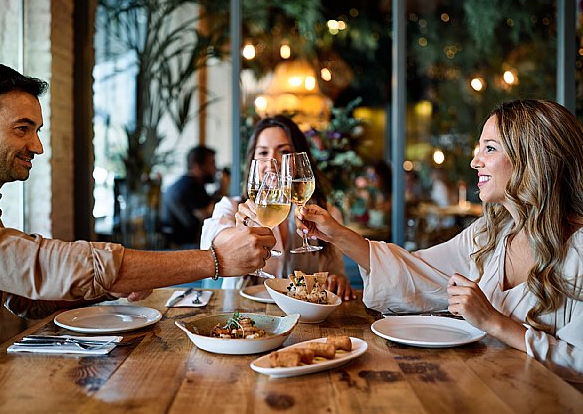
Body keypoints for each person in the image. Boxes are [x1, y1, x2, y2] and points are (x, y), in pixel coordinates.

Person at [0, 61, 276, 377]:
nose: (38, 146)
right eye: (23, 129)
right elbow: (34, 263)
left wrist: (111, 287)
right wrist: (215, 260)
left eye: (37, 130)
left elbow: (25, 298)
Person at [296, 99, 583, 381]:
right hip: (488, 389)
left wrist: (493, 321)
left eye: (490, 148)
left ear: (532, 159)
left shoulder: (579, 249)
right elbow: (416, 271)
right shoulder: (491, 233)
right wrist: (336, 234)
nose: (475, 161)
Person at [200, 115, 355, 300]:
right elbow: (211, 244)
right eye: (263, 153)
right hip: (241, 313)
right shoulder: (232, 207)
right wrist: (240, 231)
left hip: (304, 318)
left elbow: (335, 272)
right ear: (252, 161)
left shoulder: (324, 214)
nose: (272, 162)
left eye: (284, 152)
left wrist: (337, 280)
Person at [161, 145, 224, 248]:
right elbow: (207, 217)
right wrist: (222, 190)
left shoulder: (186, 183)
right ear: (197, 166)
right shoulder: (191, 186)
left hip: (178, 244)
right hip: (184, 248)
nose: (215, 169)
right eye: (212, 163)